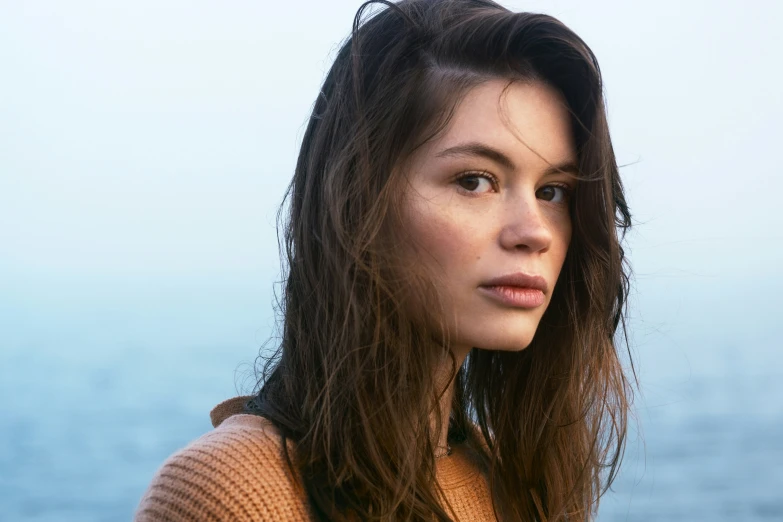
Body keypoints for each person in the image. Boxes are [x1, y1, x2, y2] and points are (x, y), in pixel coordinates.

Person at [134, 0, 634, 520]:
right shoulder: (235, 494)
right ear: (358, 201)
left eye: (553, 190)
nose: (534, 232)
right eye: (474, 181)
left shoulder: (511, 481)